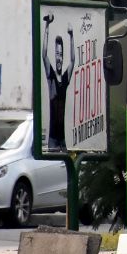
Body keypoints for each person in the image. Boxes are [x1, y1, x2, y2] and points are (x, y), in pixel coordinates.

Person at [41, 14, 74, 151]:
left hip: (63, 139)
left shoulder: (65, 78)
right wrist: (47, 27)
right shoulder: (51, 77)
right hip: (53, 139)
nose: (59, 58)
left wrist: (71, 36)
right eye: (57, 54)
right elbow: (44, 55)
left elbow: (73, 61)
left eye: (60, 55)